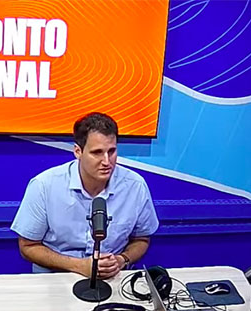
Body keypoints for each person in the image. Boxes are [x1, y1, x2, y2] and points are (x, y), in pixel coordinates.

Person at [10, 112, 159, 278]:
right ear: (78, 151)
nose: (106, 161)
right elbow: (27, 246)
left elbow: (142, 240)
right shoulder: (44, 185)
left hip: (112, 278)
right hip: (56, 277)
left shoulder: (135, 186)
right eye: (97, 152)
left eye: (111, 151)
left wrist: (122, 260)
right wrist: (78, 266)